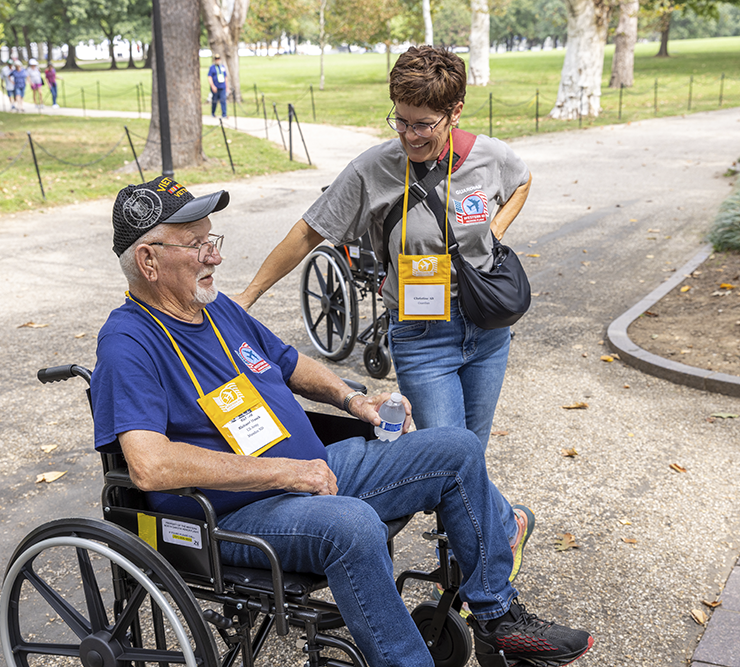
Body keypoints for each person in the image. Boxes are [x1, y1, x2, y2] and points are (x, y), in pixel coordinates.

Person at [91, 176, 593, 667]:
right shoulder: (128, 342)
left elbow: (288, 363)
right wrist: (284, 473)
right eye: (196, 245)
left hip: (314, 472)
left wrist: (353, 400)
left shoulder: (218, 309)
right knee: (350, 526)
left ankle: (496, 618)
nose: (215, 256)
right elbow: (150, 466)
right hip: (235, 514)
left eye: (211, 240)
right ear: (148, 260)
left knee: (456, 449)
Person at [233, 45, 535, 571]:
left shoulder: (490, 156)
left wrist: (495, 232)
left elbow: (523, 180)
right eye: (402, 121)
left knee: (471, 458)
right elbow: (309, 231)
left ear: (456, 111)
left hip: (487, 331)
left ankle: (464, 570)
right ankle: (501, 541)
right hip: (423, 338)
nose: (411, 135)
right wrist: (248, 296)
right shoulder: (374, 168)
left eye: (425, 124)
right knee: (448, 454)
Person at [207, 53, 228, 118]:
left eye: (218, 59)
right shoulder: (212, 67)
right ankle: (213, 113)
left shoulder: (222, 67)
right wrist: (212, 86)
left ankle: (224, 114)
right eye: (216, 59)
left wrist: (227, 86)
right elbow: (209, 77)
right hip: (215, 87)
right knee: (214, 101)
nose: (217, 60)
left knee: (223, 100)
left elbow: (225, 77)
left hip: (222, 86)